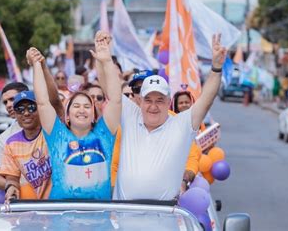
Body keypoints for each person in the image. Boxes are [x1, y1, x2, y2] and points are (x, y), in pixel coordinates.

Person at [97, 32, 226, 200]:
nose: (153, 106)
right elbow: (109, 88)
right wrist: (104, 60)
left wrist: (216, 68)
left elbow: (206, 99)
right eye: (148, 100)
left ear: (168, 101)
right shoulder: (130, 117)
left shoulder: (181, 124)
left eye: (159, 100)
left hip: (164, 217)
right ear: (140, 100)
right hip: (124, 215)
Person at [27, 32, 121, 200]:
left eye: (87, 106)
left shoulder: (104, 134)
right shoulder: (57, 135)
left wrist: (106, 61)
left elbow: (115, 100)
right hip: (61, 218)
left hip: (99, 220)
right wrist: (36, 65)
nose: (82, 110)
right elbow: (42, 102)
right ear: (67, 116)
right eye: (76, 106)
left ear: (93, 115)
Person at [1, 91, 54, 200]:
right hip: (36, 204)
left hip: (60, 200)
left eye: (31, 107)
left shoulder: (51, 132)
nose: (26, 113)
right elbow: (12, 178)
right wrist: (11, 188)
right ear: (15, 114)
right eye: (20, 109)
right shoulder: (11, 143)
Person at [0, 82, 29, 191]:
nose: (8, 105)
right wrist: (13, 187)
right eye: (5, 102)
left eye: (12, 99)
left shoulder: (47, 125)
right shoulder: (5, 137)